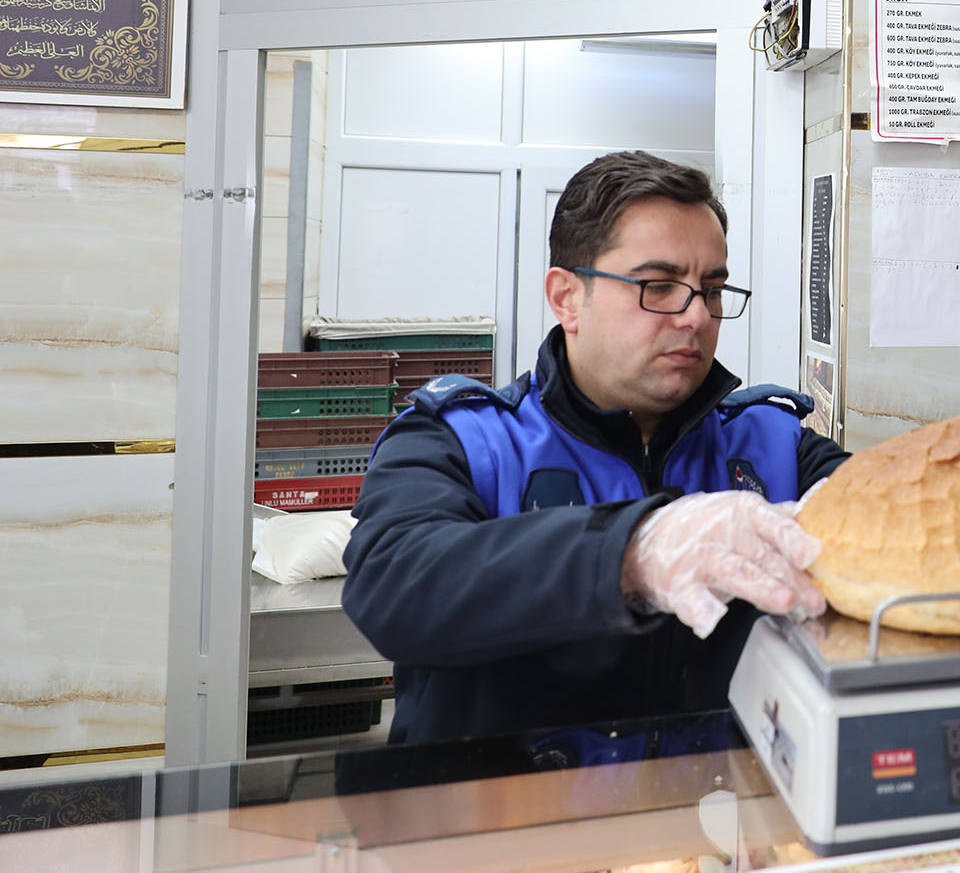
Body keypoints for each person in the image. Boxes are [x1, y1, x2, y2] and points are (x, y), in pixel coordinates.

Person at [342, 151, 848, 745]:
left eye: (711, 289)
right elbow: (392, 583)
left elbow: (877, 516)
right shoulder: (465, 439)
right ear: (566, 298)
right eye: (659, 286)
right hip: (502, 826)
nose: (695, 318)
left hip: (719, 823)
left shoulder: (771, 445)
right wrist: (632, 553)